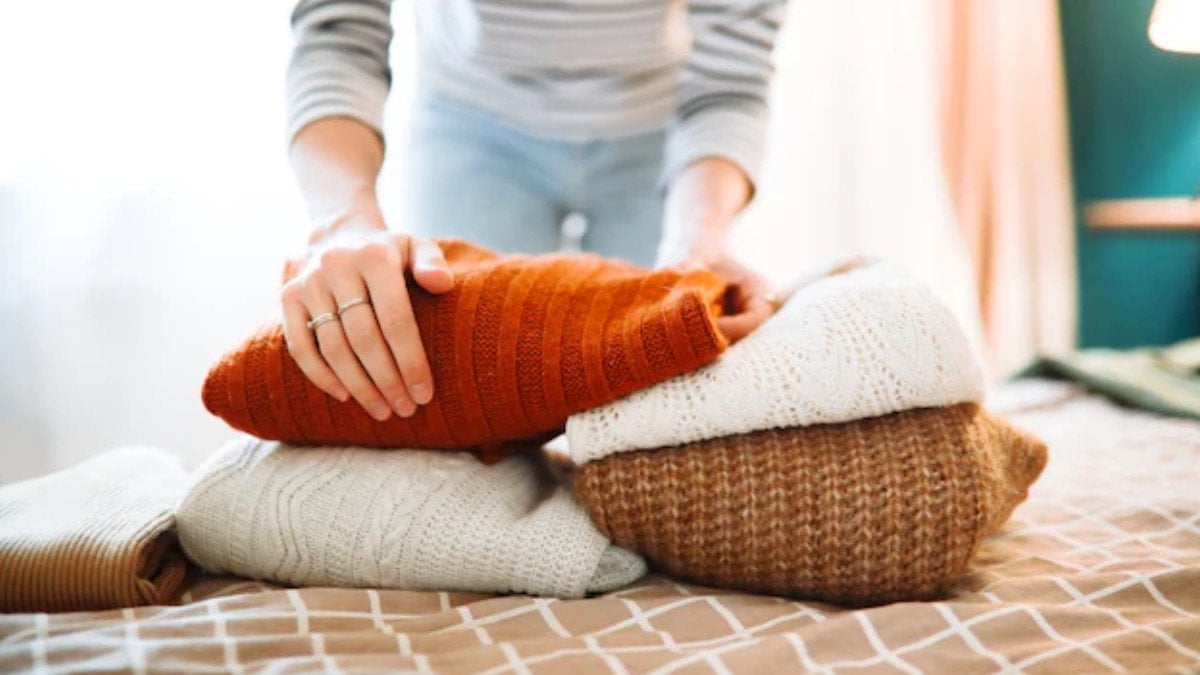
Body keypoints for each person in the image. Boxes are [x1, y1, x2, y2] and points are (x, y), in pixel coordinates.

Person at [281, 0, 786, 423]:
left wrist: (699, 239)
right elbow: (339, 36)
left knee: (661, 394)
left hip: (662, 130)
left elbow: (730, 82)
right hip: (470, 119)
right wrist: (343, 224)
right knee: (461, 386)